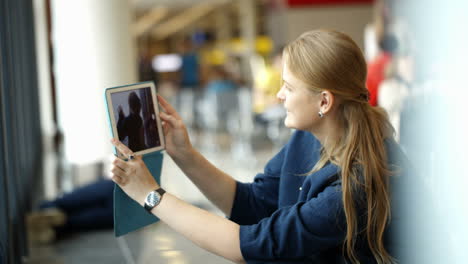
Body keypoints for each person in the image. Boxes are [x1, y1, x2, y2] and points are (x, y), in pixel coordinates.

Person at [109, 29, 409, 263]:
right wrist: (184, 154)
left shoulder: (358, 181)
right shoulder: (309, 136)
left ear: (325, 101)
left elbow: (247, 244)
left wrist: (151, 196)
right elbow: (252, 204)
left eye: (288, 87)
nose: (278, 95)